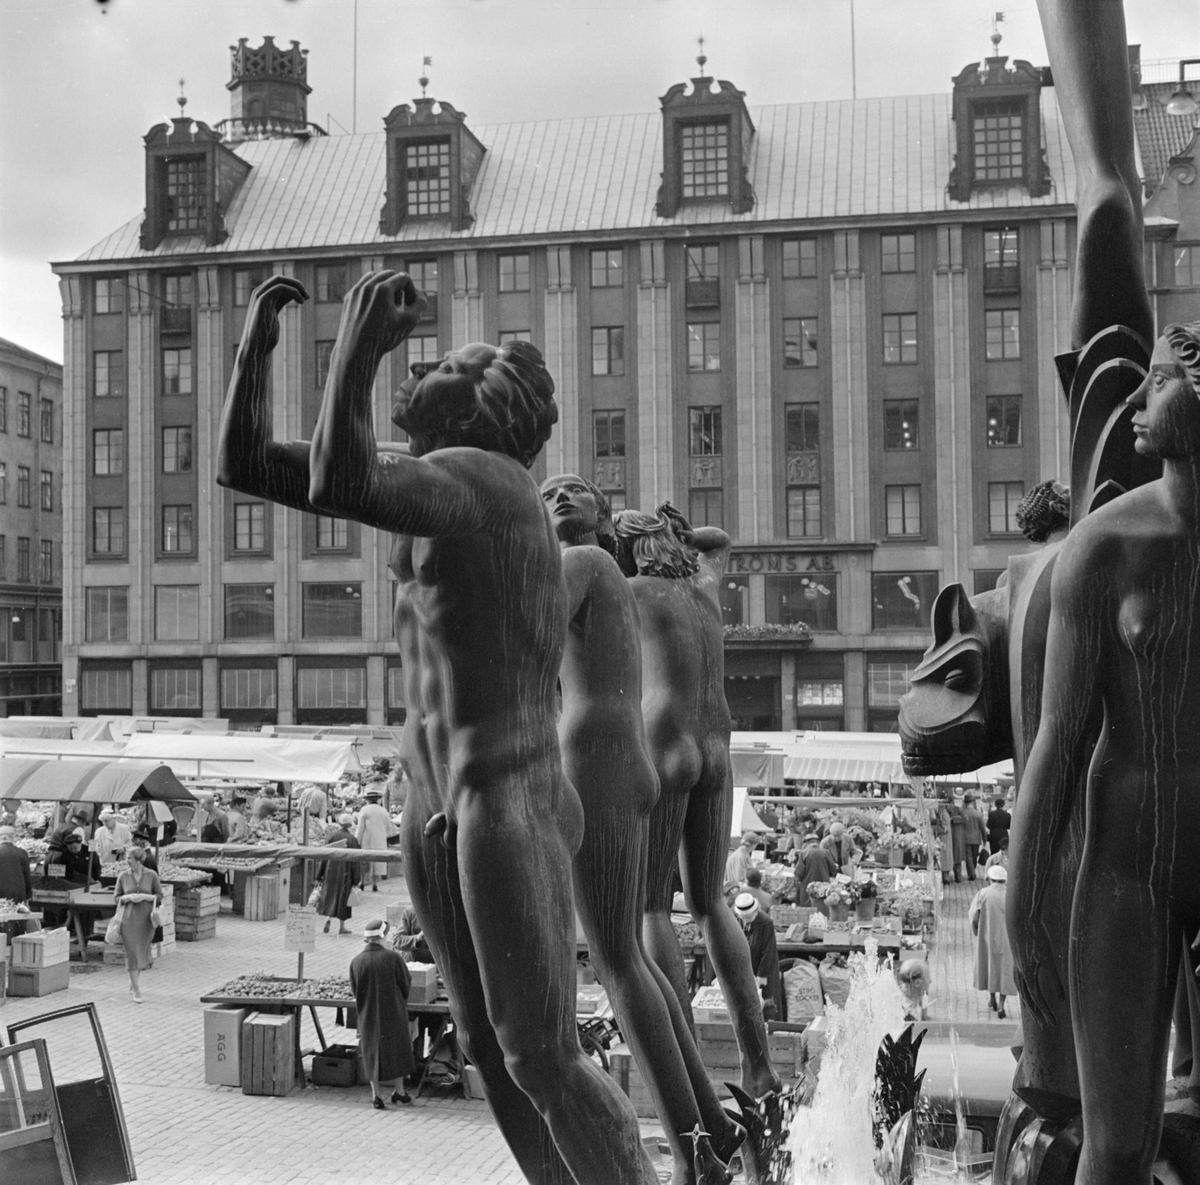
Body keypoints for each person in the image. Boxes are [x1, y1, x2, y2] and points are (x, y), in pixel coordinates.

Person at [220, 270, 657, 1183]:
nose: (433, 358)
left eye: (454, 360)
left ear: (490, 408)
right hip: (439, 792)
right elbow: (247, 465)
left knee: (542, 1052)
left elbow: (338, 476)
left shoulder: (491, 486)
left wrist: (360, 346)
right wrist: (253, 354)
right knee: (485, 1046)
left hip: (508, 795)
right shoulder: (430, 483)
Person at [542, 470, 744, 1180]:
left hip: (602, 754)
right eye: (546, 494)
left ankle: (698, 1151)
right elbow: (712, 544)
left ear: (603, 516)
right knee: (640, 945)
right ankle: (713, 1123)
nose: (555, 497)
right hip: (644, 753)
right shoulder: (666, 589)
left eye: (572, 488)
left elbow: (529, 654)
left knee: (624, 956)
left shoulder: (584, 568)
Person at [616, 504, 783, 1107]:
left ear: (632, 550)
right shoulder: (706, 589)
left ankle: (685, 1068)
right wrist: (680, 536)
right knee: (711, 903)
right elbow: (721, 537)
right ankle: (758, 1062)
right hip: (718, 744)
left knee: (652, 908)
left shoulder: (630, 590)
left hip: (665, 741)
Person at [349, 918, 415, 1109]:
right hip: (393, 1012)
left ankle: (376, 1095)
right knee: (398, 1051)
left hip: (367, 1014)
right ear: (382, 936)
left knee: (371, 1052)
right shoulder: (393, 958)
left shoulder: (356, 962)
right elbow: (405, 984)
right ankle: (400, 1092)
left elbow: (355, 990)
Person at [115, 846, 162, 1004]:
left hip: (146, 920)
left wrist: (145, 897)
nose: (127, 861)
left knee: (142, 952)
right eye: (127, 858)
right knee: (132, 953)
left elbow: (159, 895)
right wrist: (127, 898)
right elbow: (116, 897)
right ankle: (136, 989)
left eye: (129, 858)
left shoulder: (151, 875)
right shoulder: (123, 876)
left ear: (138, 860)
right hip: (128, 919)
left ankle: (133, 980)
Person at [969, 865, 1016, 1019]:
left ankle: (992, 998)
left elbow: (973, 915)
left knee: (989, 966)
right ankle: (1002, 1005)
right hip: (1008, 939)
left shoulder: (984, 893)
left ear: (990, 878)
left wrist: (976, 929)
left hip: (987, 936)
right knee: (1004, 970)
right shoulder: (1011, 894)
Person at [732, 893, 783, 1022]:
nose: (746, 920)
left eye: (748, 917)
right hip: (746, 967)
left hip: (765, 970)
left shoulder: (765, 922)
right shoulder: (737, 920)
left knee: (767, 1002)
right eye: (744, 917)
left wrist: (762, 975)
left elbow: (768, 950)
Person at [315, 814, 361, 935]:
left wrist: (319, 875)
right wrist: (357, 879)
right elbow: (356, 861)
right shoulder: (352, 839)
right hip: (346, 874)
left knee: (330, 895)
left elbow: (324, 856)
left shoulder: (332, 836)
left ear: (339, 823)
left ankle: (328, 918)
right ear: (350, 824)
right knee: (343, 899)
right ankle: (342, 926)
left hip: (330, 871)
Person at [355, 788, 394, 891]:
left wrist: (356, 840)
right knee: (377, 861)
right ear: (377, 799)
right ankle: (374, 883)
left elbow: (360, 827)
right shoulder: (383, 811)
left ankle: (362, 882)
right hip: (379, 839)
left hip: (367, 839)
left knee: (364, 861)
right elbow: (389, 827)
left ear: (367, 800)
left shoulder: (364, 810)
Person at [794, 833, 838, 907]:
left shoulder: (803, 853)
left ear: (806, 843)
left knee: (808, 910)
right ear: (817, 842)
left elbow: (799, 873)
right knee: (822, 908)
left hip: (807, 888)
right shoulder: (826, 852)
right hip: (824, 887)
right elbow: (833, 870)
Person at [960, 794, 987, 881]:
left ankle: (971, 873)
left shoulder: (963, 813)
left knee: (968, 856)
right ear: (973, 802)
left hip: (965, 838)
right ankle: (972, 872)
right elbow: (983, 828)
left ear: (965, 803)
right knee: (974, 856)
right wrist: (984, 840)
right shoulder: (978, 814)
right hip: (976, 839)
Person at [723, 830, 758, 897]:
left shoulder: (745, 853)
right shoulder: (740, 856)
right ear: (753, 845)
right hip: (734, 893)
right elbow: (739, 880)